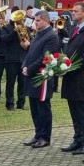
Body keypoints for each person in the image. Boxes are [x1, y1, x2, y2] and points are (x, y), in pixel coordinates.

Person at [60, 2, 84, 154]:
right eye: (73, 10)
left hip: (80, 76)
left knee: (82, 110)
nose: (72, 13)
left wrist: (72, 65)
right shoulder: (76, 28)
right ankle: (78, 139)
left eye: (76, 11)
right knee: (74, 110)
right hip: (71, 75)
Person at [22, 11, 60, 148]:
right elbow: (31, 52)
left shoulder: (51, 36)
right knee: (34, 108)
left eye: (38, 21)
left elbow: (45, 57)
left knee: (43, 108)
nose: (35, 23)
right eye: (35, 20)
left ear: (45, 20)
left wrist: (30, 68)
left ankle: (45, 136)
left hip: (42, 76)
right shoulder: (38, 34)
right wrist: (24, 65)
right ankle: (38, 134)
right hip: (32, 76)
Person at [0, 8, 29, 111]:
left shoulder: (25, 28)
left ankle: (21, 103)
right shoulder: (6, 28)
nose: (18, 18)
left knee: (22, 83)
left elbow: (31, 41)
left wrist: (27, 44)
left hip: (22, 58)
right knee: (10, 82)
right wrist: (14, 32)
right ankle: (10, 104)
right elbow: (4, 39)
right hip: (11, 59)